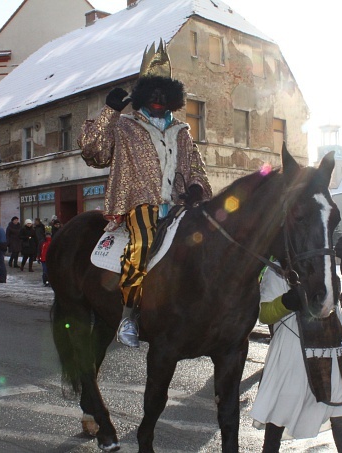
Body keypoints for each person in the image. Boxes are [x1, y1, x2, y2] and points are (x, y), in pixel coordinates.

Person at [79, 39, 212, 347]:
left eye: (162, 93)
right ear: (140, 94)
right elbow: (93, 151)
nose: (156, 99)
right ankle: (130, 315)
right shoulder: (124, 126)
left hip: (178, 207)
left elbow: (196, 169)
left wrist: (196, 186)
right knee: (144, 242)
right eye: (150, 92)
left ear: (172, 96)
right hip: (137, 203)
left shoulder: (182, 132)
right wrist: (109, 112)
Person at [250, 261, 342, 453]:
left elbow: (338, 315)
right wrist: (286, 302)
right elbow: (265, 314)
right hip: (291, 356)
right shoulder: (277, 270)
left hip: (331, 352)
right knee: (278, 414)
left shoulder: (325, 264)